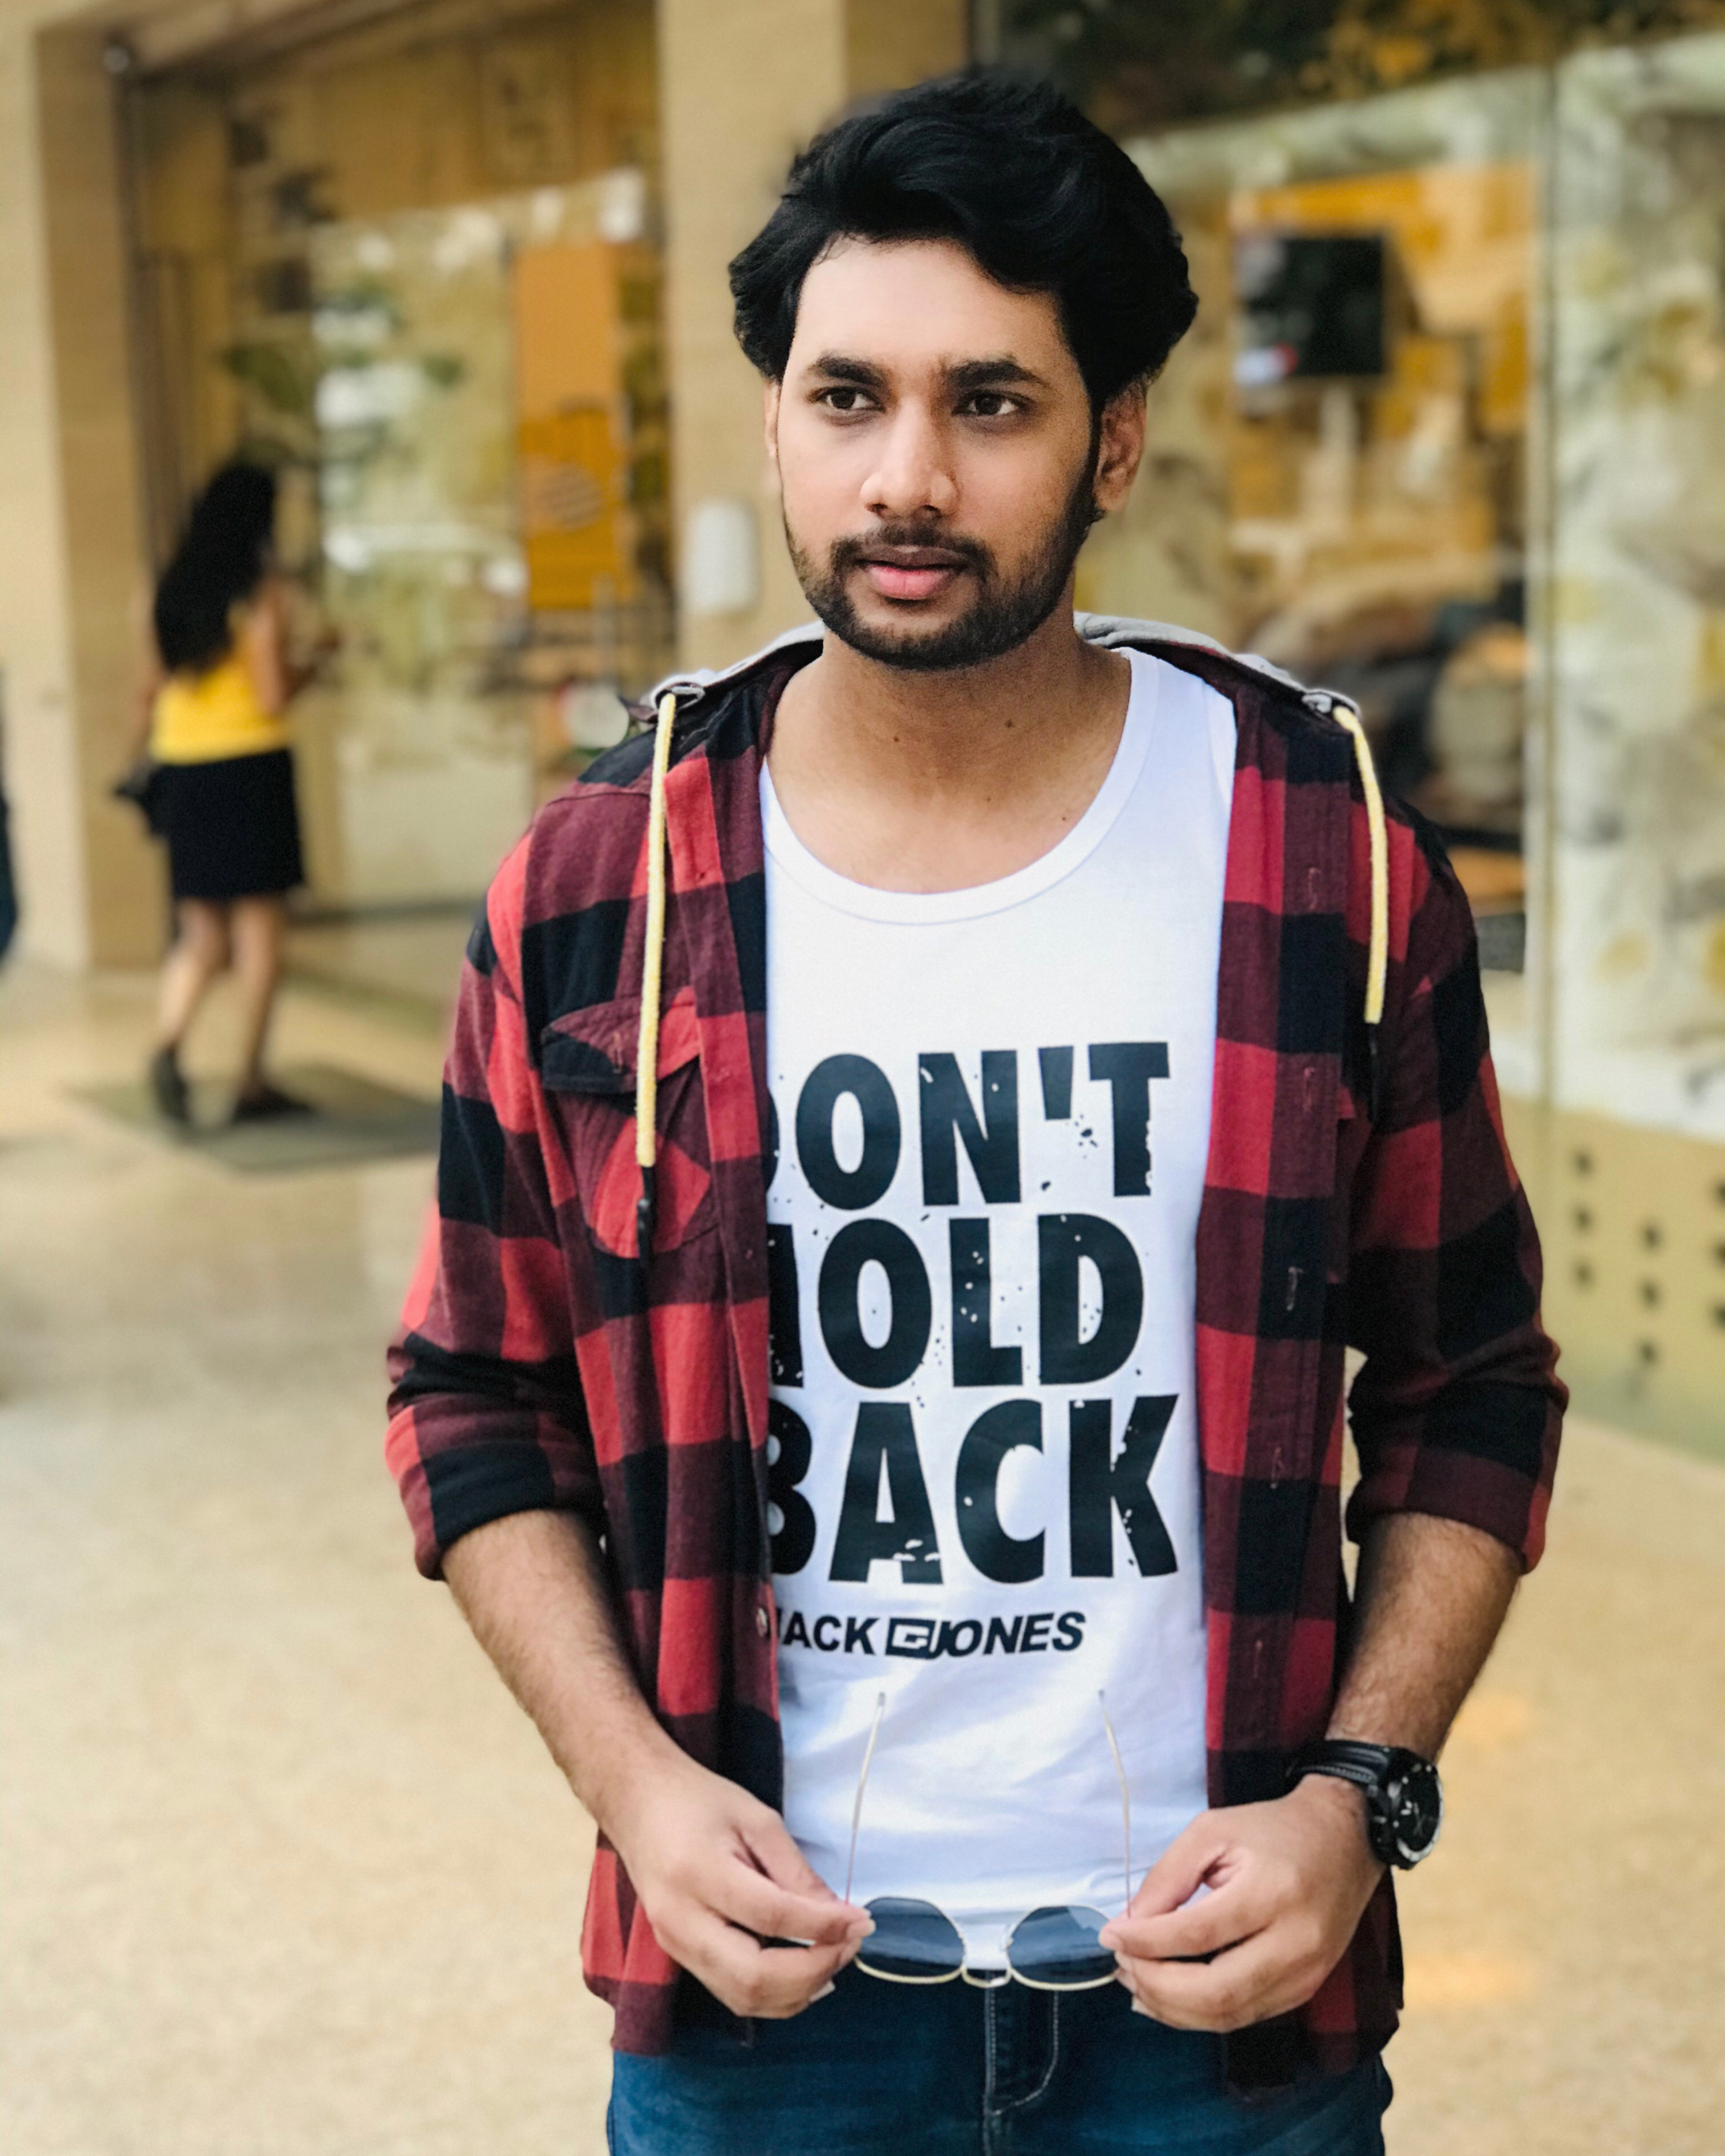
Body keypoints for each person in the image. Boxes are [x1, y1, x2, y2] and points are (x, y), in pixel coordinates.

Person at [387, 73, 1563, 2155]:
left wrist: (1354, 1794)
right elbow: (473, 1394)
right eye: (845, 397)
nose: (905, 477)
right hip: (765, 2008)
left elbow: (1467, 1381)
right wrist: (636, 1792)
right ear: (774, 422)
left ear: (1112, 438)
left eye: (990, 403)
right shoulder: (599, 886)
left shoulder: (1319, 854)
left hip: (1215, 2007)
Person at [136, 461, 313, 1123]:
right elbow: (270, 693)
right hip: (248, 766)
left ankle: (168, 1043)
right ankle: (250, 1080)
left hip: (183, 766)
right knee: (260, 928)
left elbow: (149, 685)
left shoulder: (165, 588)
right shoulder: (260, 591)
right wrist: (315, 663)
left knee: (201, 930)